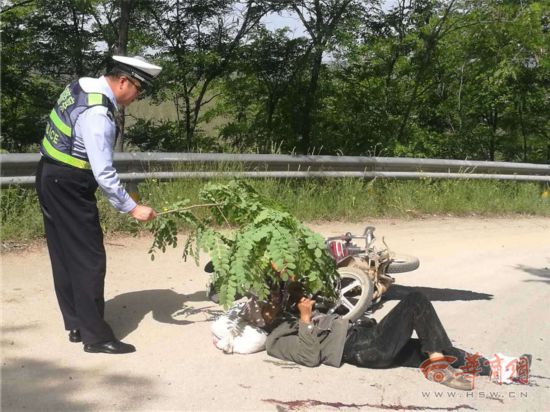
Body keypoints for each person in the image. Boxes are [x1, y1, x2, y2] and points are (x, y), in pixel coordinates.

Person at [35, 55, 162, 354]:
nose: (136, 97)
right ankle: (96, 337)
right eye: (138, 90)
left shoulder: (81, 86)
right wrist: (132, 207)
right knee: (89, 259)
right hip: (70, 185)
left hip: (48, 173)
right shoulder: (98, 116)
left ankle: (77, 323)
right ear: (123, 81)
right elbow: (104, 173)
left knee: (64, 255)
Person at [266, 290, 531, 391]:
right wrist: (304, 318)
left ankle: (505, 369)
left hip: (366, 336)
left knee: (437, 346)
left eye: (275, 297)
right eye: (269, 303)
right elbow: (309, 357)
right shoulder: (275, 339)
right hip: (362, 350)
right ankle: (439, 369)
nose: (274, 302)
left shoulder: (289, 311)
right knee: (415, 301)